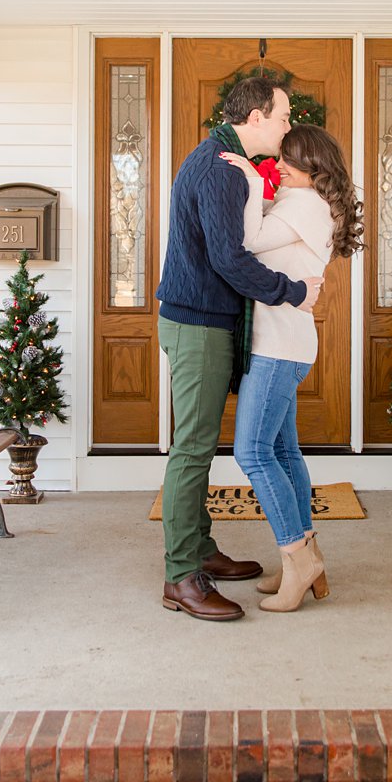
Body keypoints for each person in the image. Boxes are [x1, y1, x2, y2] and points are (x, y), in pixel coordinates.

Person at [156, 75, 323, 622]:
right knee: (193, 448)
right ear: (254, 118)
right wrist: (292, 292)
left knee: (200, 445)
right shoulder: (222, 170)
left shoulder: (229, 166)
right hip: (198, 324)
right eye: (281, 116)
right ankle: (181, 575)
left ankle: (201, 550)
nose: (287, 125)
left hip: (208, 321)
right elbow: (232, 258)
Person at [218, 124, 363, 612]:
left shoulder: (304, 204)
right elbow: (265, 230)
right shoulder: (305, 205)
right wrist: (259, 190)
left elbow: (248, 240)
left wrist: (250, 181)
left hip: (278, 346)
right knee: (283, 451)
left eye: (286, 161)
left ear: (311, 167)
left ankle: (298, 559)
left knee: (253, 452)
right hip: (287, 344)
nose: (276, 166)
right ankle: (308, 554)